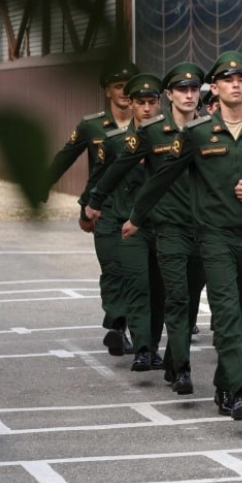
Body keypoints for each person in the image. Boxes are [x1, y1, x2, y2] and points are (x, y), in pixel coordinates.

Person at [125, 51, 242, 421]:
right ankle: (240, 390)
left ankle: (224, 383)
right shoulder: (198, 134)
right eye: (227, 80)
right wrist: (136, 217)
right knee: (227, 312)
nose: (235, 85)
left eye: (241, 79)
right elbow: (163, 177)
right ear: (214, 88)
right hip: (214, 238)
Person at [89, 62, 209, 393]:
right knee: (168, 295)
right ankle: (171, 362)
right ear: (169, 95)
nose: (189, 95)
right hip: (163, 226)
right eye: (182, 89)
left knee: (187, 298)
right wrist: (95, 200)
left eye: (193, 89)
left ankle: (170, 357)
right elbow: (118, 168)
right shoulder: (152, 133)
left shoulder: (213, 131)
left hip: (204, 229)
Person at [47, 59, 138, 357]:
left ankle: (140, 331)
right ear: (107, 91)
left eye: (129, 87)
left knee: (140, 271)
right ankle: (117, 327)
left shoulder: (150, 125)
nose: (124, 92)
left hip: (141, 209)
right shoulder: (92, 126)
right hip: (105, 208)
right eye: (118, 86)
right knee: (113, 268)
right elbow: (65, 156)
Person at [89, 73, 166, 373]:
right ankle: (142, 349)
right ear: (131, 104)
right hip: (129, 226)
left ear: (159, 103)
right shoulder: (115, 143)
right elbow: (100, 181)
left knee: (159, 292)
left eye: (151, 102)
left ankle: (153, 347)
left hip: (164, 225)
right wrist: (90, 208)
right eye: (140, 102)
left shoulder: (175, 139)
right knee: (137, 287)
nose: (146, 108)